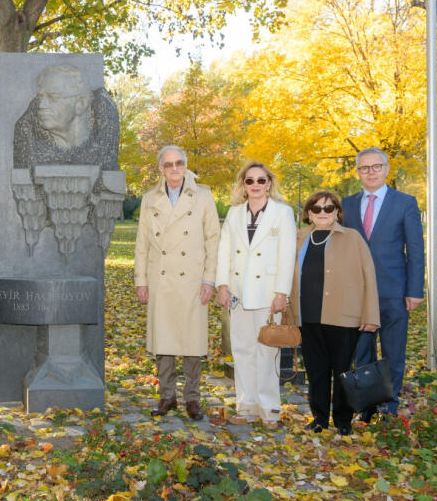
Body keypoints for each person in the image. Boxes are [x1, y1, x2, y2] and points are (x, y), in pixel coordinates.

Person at [134, 145, 220, 419]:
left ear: (185, 164)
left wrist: (209, 279)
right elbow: (142, 243)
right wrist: (141, 280)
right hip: (161, 278)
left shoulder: (203, 196)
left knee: (192, 342)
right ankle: (166, 397)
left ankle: (192, 398)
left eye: (179, 163)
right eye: (168, 164)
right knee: (164, 340)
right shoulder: (149, 199)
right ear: (161, 168)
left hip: (193, 279)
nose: (174, 169)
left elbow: (213, 241)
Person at [343, 147, 424, 420]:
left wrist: (414, 290)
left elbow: (415, 249)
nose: (371, 172)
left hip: (395, 291)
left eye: (376, 166)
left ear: (387, 168)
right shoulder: (347, 204)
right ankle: (365, 408)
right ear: (358, 172)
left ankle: (389, 406)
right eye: (364, 168)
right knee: (361, 351)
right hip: (358, 294)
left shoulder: (405, 202)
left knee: (392, 353)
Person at [291, 190, 380, 436]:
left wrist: (370, 315)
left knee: (342, 369)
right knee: (316, 370)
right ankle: (319, 418)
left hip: (344, 315)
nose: (322, 213)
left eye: (328, 208)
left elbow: (369, 276)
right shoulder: (298, 237)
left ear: (337, 212)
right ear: (309, 213)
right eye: (317, 208)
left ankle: (343, 420)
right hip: (308, 314)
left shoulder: (352, 238)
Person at [215, 161, 296, 429]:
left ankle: (270, 408)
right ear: (243, 185)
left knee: (266, 351)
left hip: (267, 292)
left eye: (261, 180)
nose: (256, 186)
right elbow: (224, 251)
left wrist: (281, 292)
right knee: (242, 350)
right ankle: (246, 405)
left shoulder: (282, 213)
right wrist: (222, 286)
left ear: (269, 183)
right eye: (250, 181)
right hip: (238, 291)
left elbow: (287, 255)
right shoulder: (235, 213)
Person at [13, 65, 118, 169]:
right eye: (40, 97)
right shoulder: (28, 141)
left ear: (80, 104)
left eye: (53, 97)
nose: (41, 105)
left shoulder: (103, 145)